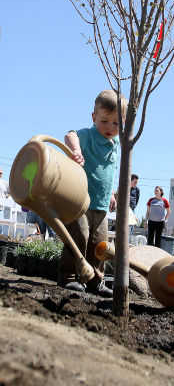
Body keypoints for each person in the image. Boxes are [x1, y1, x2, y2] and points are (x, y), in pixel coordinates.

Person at [58, 89, 128, 296]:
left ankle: (94, 281)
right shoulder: (88, 136)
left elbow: (107, 173)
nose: (110, 127)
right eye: (105, 121)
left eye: (116, 123)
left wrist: (112, 195)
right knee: (79, 236)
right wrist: (76, 151)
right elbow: (70, 134)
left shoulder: (115, 144)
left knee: (100, 245)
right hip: (81, 200)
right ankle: (69, 276)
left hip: (102, 205)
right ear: (94, 117)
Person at [129, 174, 140, 242]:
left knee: (131, 227)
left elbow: (137, 199)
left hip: (132, 209)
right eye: (135, 182)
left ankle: (128, 242)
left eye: (137, 183)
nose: (136, 184)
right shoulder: (124, 187)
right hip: (124, 210)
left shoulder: (137, 189)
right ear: (130, 181)